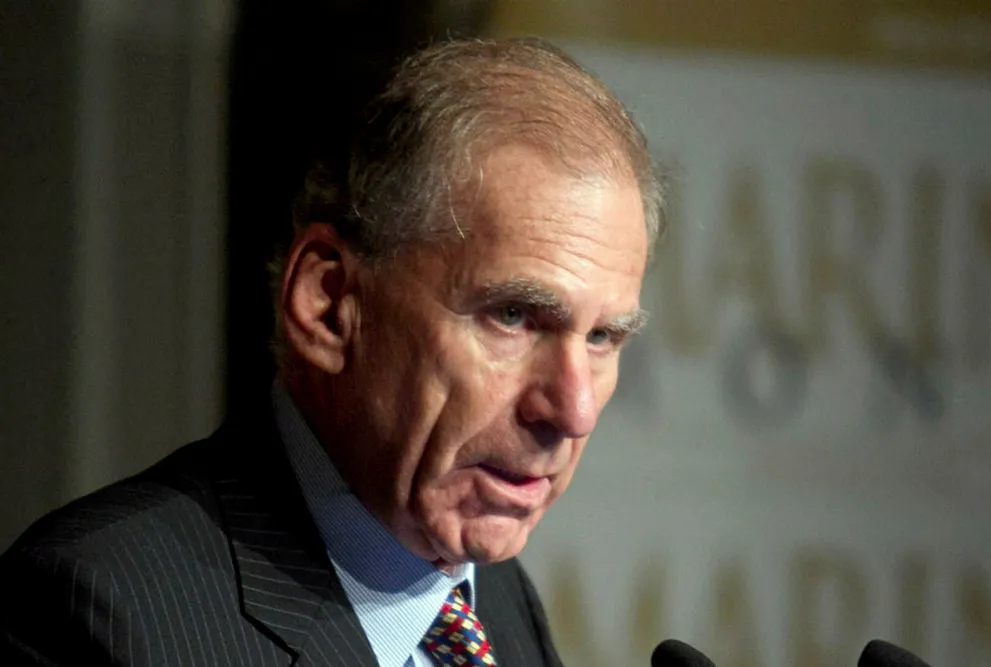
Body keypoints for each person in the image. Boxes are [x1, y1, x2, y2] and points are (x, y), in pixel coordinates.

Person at [0, 37, 662, 666]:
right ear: (330, 303)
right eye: (512, 316)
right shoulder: (102, 615)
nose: (573, 409)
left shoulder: (496, 599)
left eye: (602, 336)